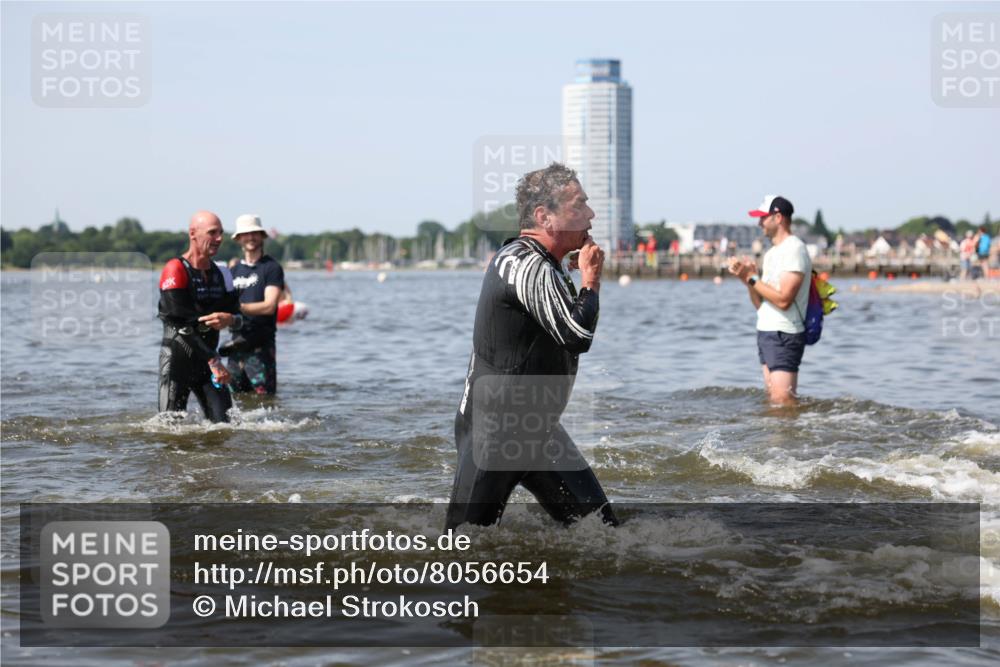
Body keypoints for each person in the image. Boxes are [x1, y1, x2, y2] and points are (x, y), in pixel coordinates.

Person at [445, 163, 618, 530]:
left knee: (604, 534)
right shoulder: (524, 263)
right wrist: (591, 279)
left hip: (537, 430)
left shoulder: (545, 264)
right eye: (579, 205)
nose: (591, 214)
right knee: (459, 549)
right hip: (493, 434)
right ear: (545, 216)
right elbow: (577, 335)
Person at [158, 211, 242, 422]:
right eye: (212, 233)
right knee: (169, 430)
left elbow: (239, 315)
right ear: (193, 233)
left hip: (208, 364)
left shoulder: (223, 273)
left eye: (221, 233)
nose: (219, 238)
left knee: (225, 428)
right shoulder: (174, 269)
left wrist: (230, 320)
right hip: (178, 363)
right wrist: (213, 360)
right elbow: (180, 324)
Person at [728, 195, 811, 406]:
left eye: (763, 218)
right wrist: (747, 279)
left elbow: (784, 300)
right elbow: (761, 304)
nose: (759, 223)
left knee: (783, 400)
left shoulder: (794, 248)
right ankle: (777, 438)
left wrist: (751, 278)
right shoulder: (772, 253)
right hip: (767, 330)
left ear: (778, 217)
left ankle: (792, 438)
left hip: (785, 332)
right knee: (773, 399)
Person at [223, 214, 285, 395]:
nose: (250, 238)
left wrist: (238, 309)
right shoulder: (233, 271)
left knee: (265, 400)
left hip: (261, 346)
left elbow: (269, 306)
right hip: (235, 345)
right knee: (234, 401)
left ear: (262, 236)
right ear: (239, 239)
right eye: (246, 234)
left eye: (254, 233)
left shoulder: (271, 267)